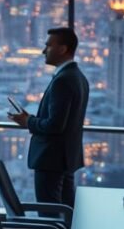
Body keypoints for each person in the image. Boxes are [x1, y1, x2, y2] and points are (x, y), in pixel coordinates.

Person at [9, 27, 90, 209]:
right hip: (67, 157)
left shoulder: (63, 80)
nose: (44, 51)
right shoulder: (79, 77)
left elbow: (55, 125)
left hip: (51, 159)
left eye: (48, 45)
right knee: (66, 211)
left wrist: (27, 121)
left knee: (50, 212)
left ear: (62, 49)